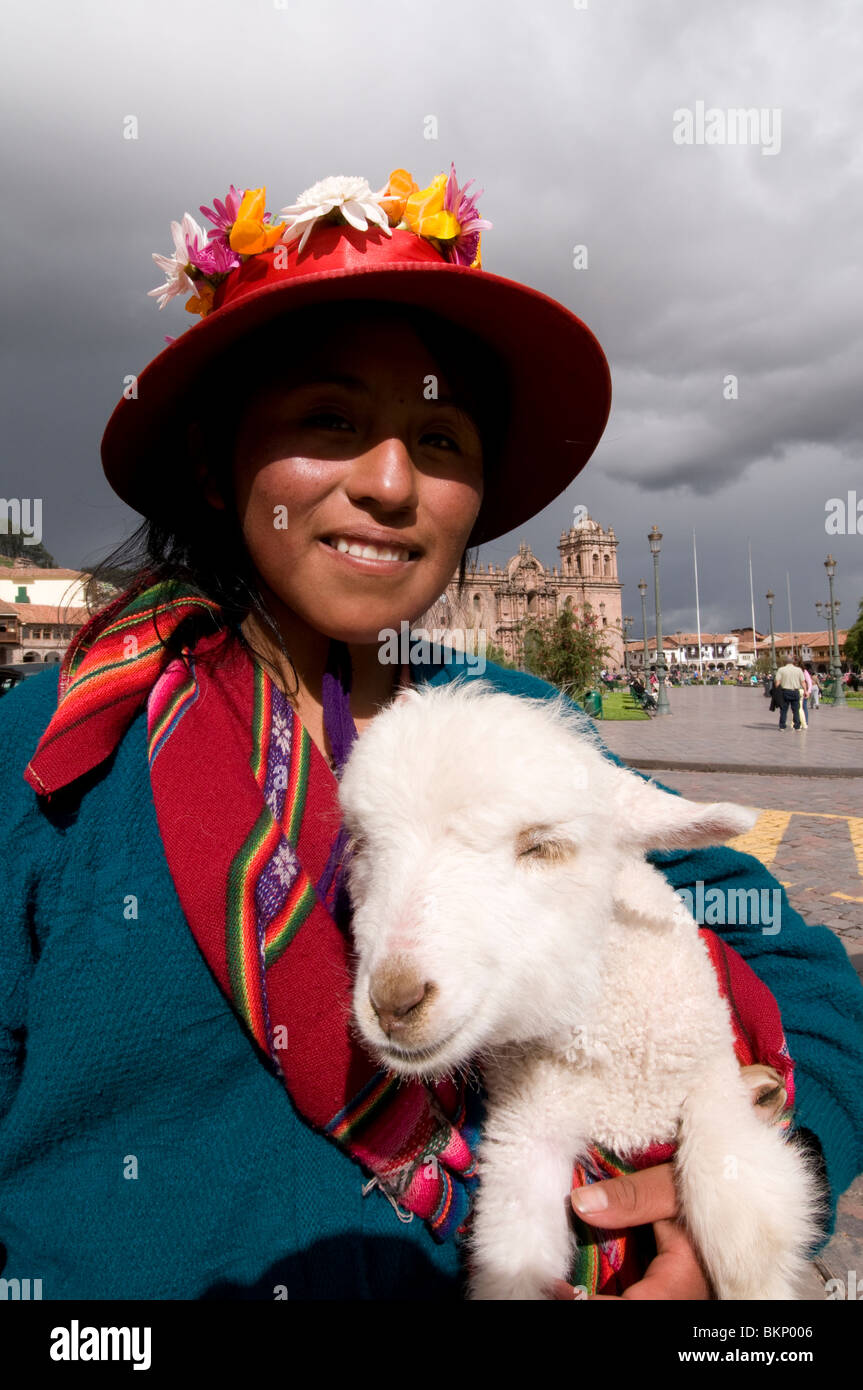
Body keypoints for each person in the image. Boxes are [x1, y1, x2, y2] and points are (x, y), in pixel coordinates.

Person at [2, 166, 862, 1302]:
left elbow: (793, 960)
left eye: (440, 437)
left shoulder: (515, 730)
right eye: (329, 420)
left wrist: (751, 1187)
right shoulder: (56, 751)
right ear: (217, 462)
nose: (392, 481)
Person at [773, 655, 805, 730]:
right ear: (793, 661)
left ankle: (782, 726)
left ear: (785, 661)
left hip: (785, 692)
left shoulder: (781, 670)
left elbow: (777, 683)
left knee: (783, 710)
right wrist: (806, 691)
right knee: (796, 710)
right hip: (795, 691)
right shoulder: (798, 670)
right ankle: (797, 726)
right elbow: (803, 682)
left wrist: (776, 690)